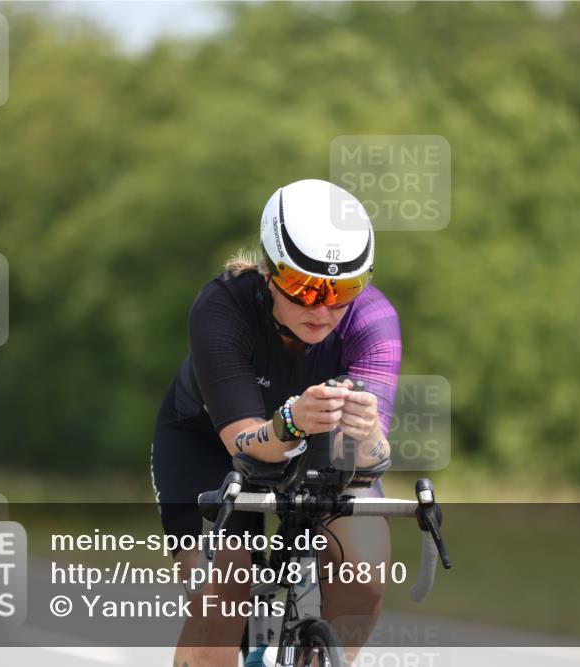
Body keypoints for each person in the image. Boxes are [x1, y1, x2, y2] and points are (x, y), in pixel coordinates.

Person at [151, 179, 401, 667]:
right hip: (210, 445)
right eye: (306, 288)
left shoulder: (373, 319)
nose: (324, 309)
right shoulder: (221, 307)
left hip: (319, 448)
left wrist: (370, 434)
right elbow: (244, 444)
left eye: (344, 289)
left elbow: (370, 463)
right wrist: (291, 421)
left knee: (366, 573)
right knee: (224, 589)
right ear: (269, 272)